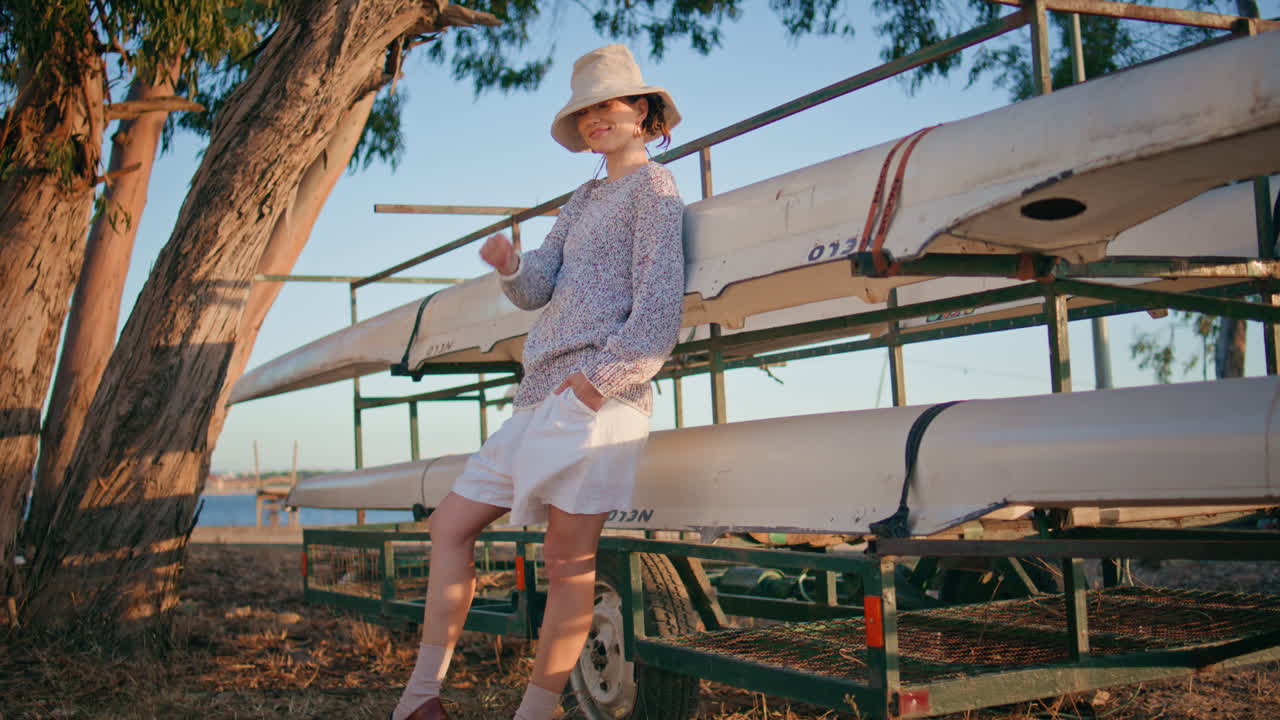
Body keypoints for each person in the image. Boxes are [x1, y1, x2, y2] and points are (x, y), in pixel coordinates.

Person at [391, 44, 685, 720]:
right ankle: (418, 700)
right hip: (537, 399)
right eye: (584, 111)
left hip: (599, 398)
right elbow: (539, 287)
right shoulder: (582, 199)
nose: (594, 119)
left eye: (608, 105)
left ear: (642, 111)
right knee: (450, 526)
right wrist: (509, 266)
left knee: (566, 562)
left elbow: (659, 308)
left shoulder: (658, 190)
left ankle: (534, 712)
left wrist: (594, 383)